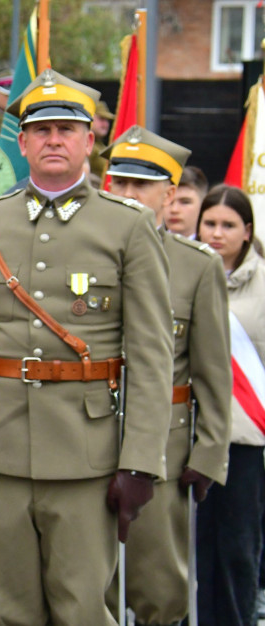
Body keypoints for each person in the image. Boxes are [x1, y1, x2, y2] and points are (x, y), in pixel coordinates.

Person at [0, 69, 173, 624]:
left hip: (87, 456)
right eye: (41, 130)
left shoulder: (128, 227)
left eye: (68, 129)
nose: (54, 140)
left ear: (91, 141)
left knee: (82, 609)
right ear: (22, 143)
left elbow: (151, 355)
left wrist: (140, 461)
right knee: (0, 610)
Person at [105, 126, 231, 626]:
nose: (129, 196)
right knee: (89, 584)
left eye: (142, 186)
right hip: (83, 437)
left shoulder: (195, 266)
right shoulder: (84, 252)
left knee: (157, 586)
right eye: (119, 184)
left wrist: (209, 450)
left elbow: (212, 369)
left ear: (170, 195)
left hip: (164, 447)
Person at [195, 185, 265, 626]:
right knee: (192, 545)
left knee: (238, 546)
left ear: (247, 232)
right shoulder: (179, 272)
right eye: (210, 223)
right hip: (192, 433)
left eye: (228, 225)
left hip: (245, 436)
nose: (217, 233)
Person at [167, 166, 209, 239]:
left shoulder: (213, 248)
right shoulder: (147, 244)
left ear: (203, 205)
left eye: (185, 202)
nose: (174, 210)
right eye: (169, 202)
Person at [87, 100, 115, 182]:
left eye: (107, 120)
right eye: (101, 119)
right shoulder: (86, 145)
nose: (105, 124)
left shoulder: (100, 145)